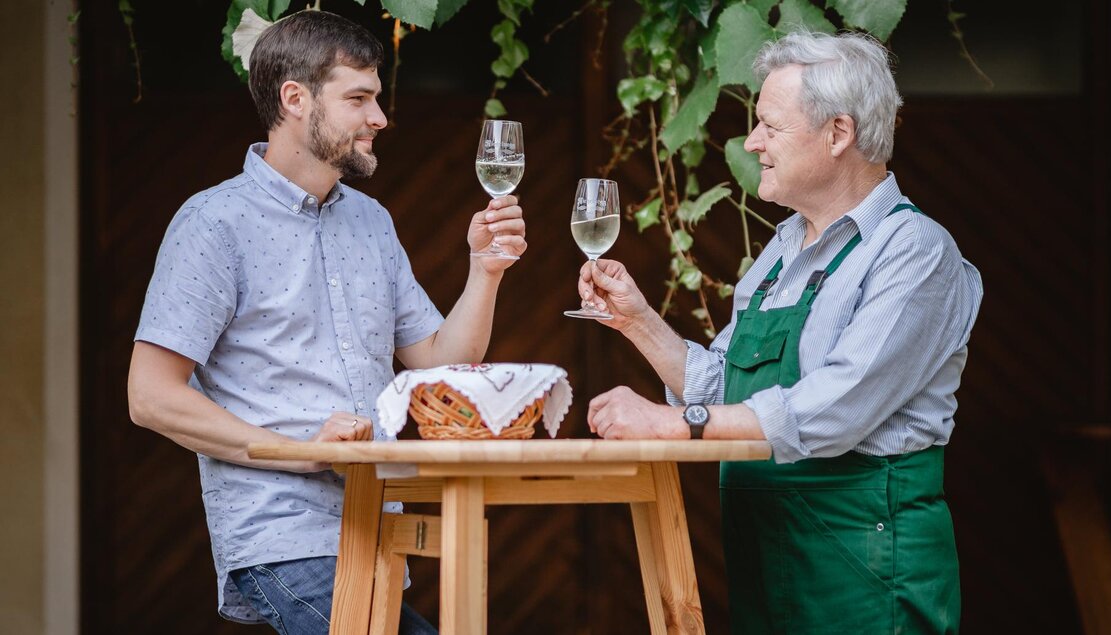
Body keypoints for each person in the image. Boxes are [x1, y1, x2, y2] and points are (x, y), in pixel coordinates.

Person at [127, 10, 525, 634]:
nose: (380, 118)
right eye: (359, 98)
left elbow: (443, 364)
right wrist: (302, 452)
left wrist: (486, 270)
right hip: (280, 533)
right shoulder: (213, 225)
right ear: (295, 99)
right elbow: (149, 397)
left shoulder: (372, 222)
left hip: (377, 526)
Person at [579, 30, 982, 633]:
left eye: (770, 125)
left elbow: (834, 409)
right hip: (768, 563)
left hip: (866, 575)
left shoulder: (913, 252)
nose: (752, 142)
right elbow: (721, 391)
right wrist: (637, 320)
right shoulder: (784, 246)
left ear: (838, 134)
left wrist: (676, 424)